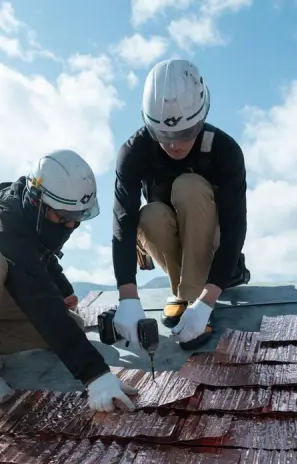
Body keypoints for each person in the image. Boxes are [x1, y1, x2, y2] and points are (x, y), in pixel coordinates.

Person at [0, 149, 138, 411]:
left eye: (76, 221)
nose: (69, 228)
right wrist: (96, 375)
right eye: (63, 218)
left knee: (70, 324)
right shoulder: (4, 223)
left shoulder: (35, 220)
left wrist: (64, 292)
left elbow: (44, 261)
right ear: (37, 202)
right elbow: (37, 295)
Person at [110, 58, 250, 351]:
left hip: (217, 245)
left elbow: (235, 228)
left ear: (201, 118)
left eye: (184, 134)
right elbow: (123, 223)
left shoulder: (225, 152)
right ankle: (184, 293)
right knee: (149, 215)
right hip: (174, 245)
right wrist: (128, 297)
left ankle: (195, 297)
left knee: (188, 187)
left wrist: (207, 302)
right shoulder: (133, 153)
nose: (174, 144)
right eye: (164, 135)